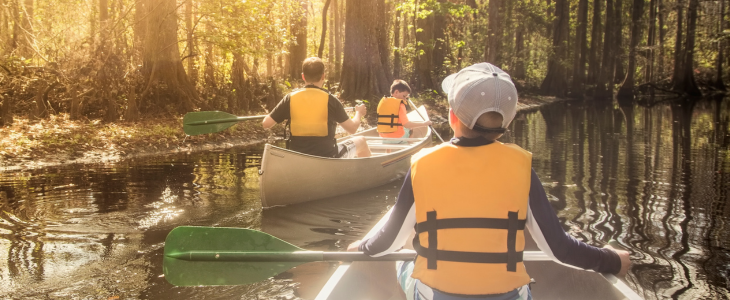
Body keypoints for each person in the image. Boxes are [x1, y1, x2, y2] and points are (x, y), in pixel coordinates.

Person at [348, 63, 631, 300]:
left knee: (407, 253)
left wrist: (361, 247)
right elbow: (559, 249)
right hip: (507, 296)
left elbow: (386, 242)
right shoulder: (522, 166)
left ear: (452, 116)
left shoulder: (422, 163)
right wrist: (611, 259)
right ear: (506, 125)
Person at [262, 57, 371, 158]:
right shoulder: (331, 100)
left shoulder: (289, 98)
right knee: (361, 140)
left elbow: (266, 124)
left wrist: (280, 112)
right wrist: (359, 113)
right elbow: (352, 129)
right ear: (323, 76)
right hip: (326, 157)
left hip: (297, 157)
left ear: (303, 76)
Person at [377, 80, 432, 144]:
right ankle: (409, 145)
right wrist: (424, 124)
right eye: (404, 96)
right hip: (398, 139)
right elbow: (407, 124)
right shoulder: (400, 105)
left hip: (384, 138)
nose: (405, 99)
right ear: (396, 92)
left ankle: (388, 151)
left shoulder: (383, 102)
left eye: (406, 97)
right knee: (410, 128)